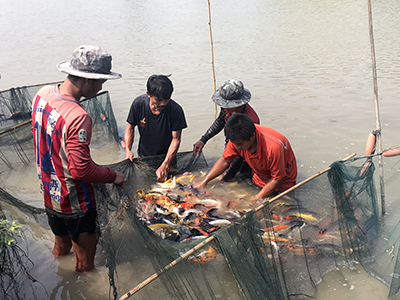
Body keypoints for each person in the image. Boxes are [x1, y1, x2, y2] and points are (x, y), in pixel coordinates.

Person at [31, 45, 125, 272]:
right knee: (85, 265)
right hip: (76, 202)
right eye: (101, 81)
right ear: (87, 81)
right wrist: (115, 176)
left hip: (50, 192)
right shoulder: (78, 117)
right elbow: (81, 171)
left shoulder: (42, 95)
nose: (102, 86)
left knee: (61, 247)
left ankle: (58, 278)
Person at [194, 113, 297, 201]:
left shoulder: (273, 147)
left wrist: (256, 198)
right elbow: (225, 160)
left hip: (283, 183)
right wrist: (204, 181)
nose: (237, 147)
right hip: (259, 177)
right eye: (235, 144)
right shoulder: (236, 140)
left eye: (240, 144)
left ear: (252, 136)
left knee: (283, 207)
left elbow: (277, 178)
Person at [193, 79, 260, 181]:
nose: (224, 107)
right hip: (231, 145)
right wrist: (203, 139)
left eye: (228, 105)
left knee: (239, 178)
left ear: (239, 103)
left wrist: (227, 175)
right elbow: (220, 121)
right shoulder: (227, 108)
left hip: (244, 153)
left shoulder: (250, 120)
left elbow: (241, 152)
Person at [124, 75, 187, 182]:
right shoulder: (138, 104)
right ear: (148, 94)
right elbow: (130, 128)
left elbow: (176, 139)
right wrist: (127, 150)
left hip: (167, 158)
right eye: (157, 100)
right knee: (145, 184)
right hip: (144, 158)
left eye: (166, 100)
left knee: (170, 189)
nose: (162, 104)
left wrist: (165, 164)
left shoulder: (176, 110)